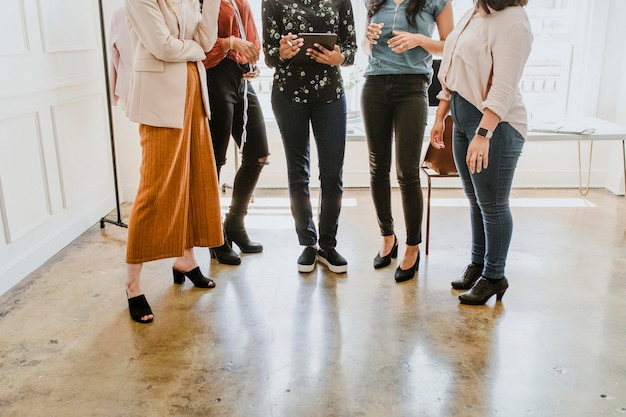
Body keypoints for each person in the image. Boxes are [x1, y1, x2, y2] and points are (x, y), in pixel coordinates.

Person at [123, 0, 223, 323]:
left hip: (193, 94)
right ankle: (132, 284)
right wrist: (194, 50)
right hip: (158, 98)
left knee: (194, 180)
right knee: (155, 187)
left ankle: (185, 259)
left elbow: (206, 42)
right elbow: (161, 46)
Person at [429, 0, 532, 304]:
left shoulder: (514, 21)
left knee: (494, 204)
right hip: (462, 119)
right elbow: (451, 66)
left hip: (494, 126)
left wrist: (483, 133)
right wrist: (440, 116)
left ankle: (495, 275)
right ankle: (479, 264)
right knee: (476, 200)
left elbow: (503, 86)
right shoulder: (475, 12)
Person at [262, 0, 357, 273]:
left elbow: (350, 48)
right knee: (298, 171)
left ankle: (328, 244)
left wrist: (339, 58)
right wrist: (281, 51)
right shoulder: (273, 1)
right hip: (288, 94)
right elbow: (269, 54)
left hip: (330, 94)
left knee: (331, 172)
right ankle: (308, 243)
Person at [362, 0, 453, 283]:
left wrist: (419, 40)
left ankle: (412, 246)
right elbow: (365, 49)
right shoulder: (374, 1)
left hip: (412, 87)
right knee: (378, 167)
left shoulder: (436, 2)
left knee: (407, 172)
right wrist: (367, 40)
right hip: (374, 84)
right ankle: (388, 238)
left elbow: (451, 47)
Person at [203, 0, 270, 266]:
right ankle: (214, 234)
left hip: (241, 78)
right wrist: (229, 43)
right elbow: (199, 43)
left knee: (258, 154)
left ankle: (234, 223)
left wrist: (250, 60)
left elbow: (251, 36)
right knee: (215, 160)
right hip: (214, 75)